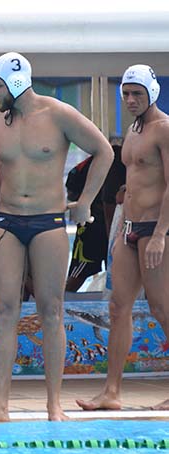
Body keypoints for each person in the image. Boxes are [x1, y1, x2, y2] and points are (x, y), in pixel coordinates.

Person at [0, 52, 112, 422]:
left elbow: (103, 152)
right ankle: (0, 406)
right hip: (8, 223)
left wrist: (86, 202)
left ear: (14, 82)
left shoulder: (58, 114)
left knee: (51, 311)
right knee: (6, 311)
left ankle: (53, 405)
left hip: (48, 223)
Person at [77, 64, 169, 412]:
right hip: (129, 229)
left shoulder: (164, 129)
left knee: (162, 308)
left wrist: (160, 233)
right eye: (126, 94)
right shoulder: (133, 129)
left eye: (137, 94)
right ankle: (111, 392)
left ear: (152, 94)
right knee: (118, 308)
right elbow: (141, 178)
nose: (130, 100)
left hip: (157, 230)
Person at [65, 155, 109, 291]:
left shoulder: (85, 165)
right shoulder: (85, 166)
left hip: (105, 226)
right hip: (93, 227)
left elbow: (71, 194)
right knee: (76, 279)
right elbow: (71, 194)